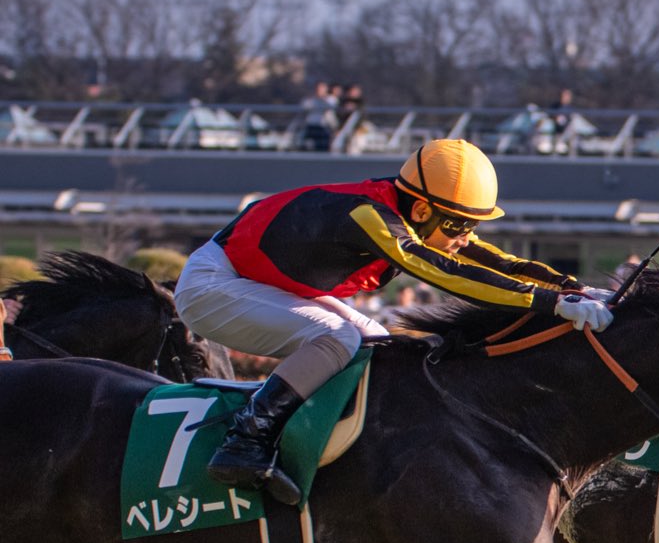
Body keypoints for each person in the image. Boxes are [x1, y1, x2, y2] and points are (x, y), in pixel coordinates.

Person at [175, 139, 606, 504]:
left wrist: (575, 288)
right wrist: (550, 304)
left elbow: (503, 264)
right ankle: (246, 439)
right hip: (214, 284)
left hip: (265, 282)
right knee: (340, 336)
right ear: (420, 211)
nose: (464, 237)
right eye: (459, 225)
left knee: (378, 339)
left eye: (471, 225)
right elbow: (447, 274)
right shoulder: (371, 217)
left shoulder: (419, 215)